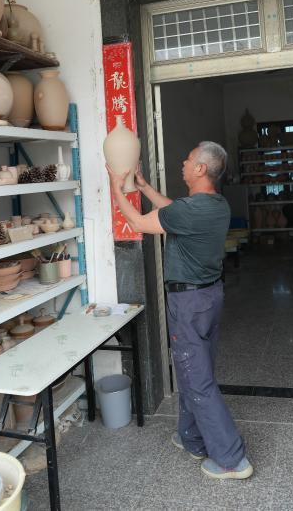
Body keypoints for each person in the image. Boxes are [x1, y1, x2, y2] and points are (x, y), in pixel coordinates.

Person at [107, 141, 253, 480]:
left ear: (200, 169)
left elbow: (139, 223)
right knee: (192, 370)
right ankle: (192, 438)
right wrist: (144, 187)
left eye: (188, 160)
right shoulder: (215, 204)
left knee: (197, 378)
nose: (183, 164)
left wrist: (116, 188)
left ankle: (231, 459)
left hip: (189, 304)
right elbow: (174, 210)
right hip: (210, 298)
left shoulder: (191, 211)